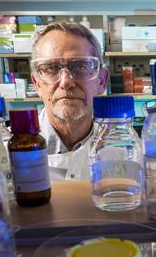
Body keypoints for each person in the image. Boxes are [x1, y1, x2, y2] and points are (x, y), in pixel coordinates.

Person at [30, 21, 108, 180]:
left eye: (81, 67)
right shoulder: (7, 153)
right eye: (51, 68)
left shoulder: (125, 148)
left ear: (101, 81)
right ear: (37, 84)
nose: (66, 82)